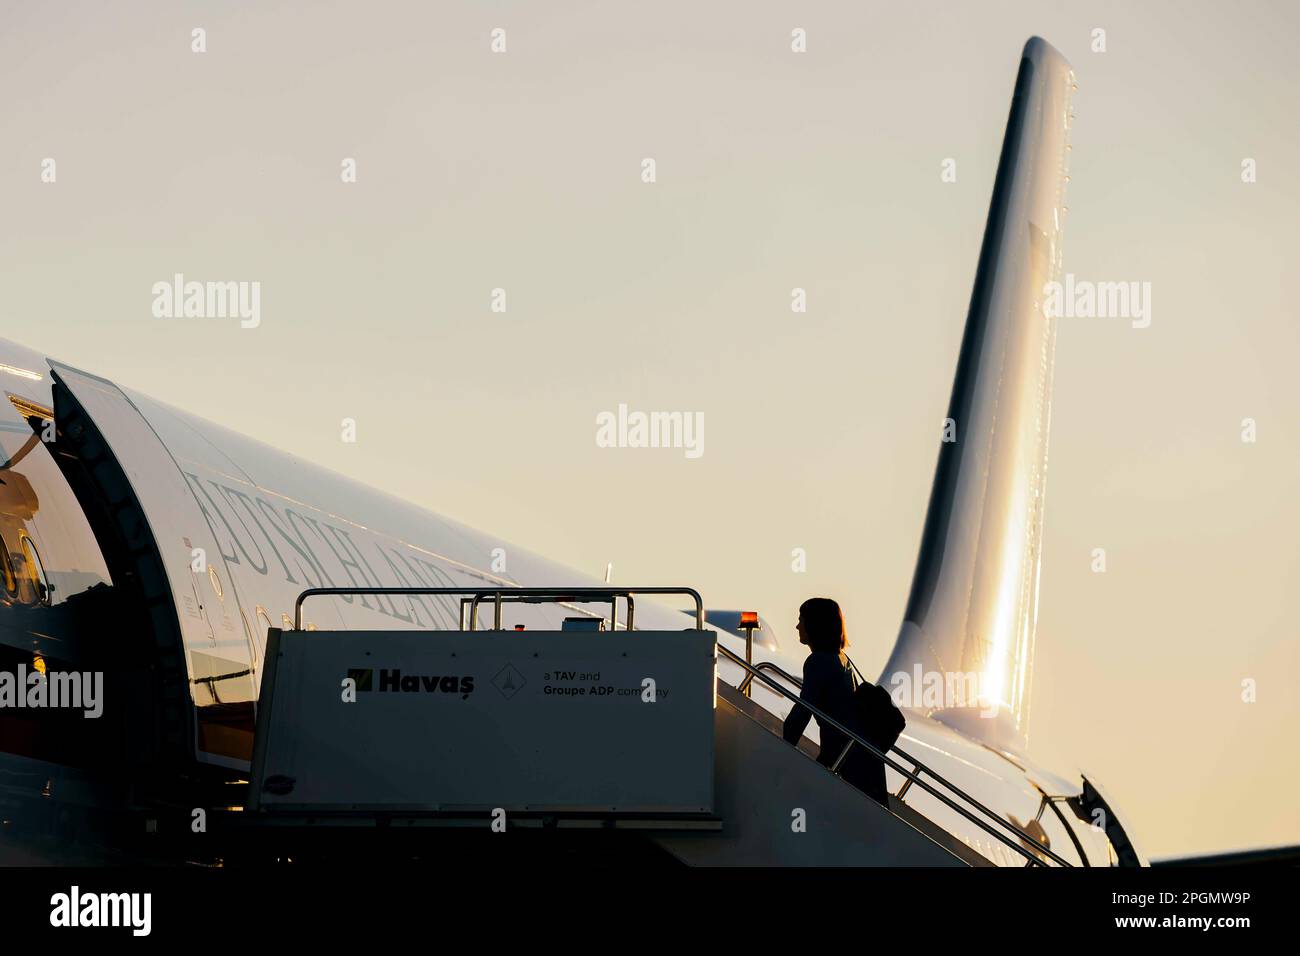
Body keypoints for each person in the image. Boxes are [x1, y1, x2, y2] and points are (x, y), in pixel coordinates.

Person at [782, 598, 887, 804]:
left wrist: (781, 746)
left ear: (814, 624)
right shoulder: (842, 658)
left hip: (847, 758)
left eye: (800, 620)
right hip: (863, 757)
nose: (797, 626)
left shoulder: (818, 661)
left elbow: (804, 709)